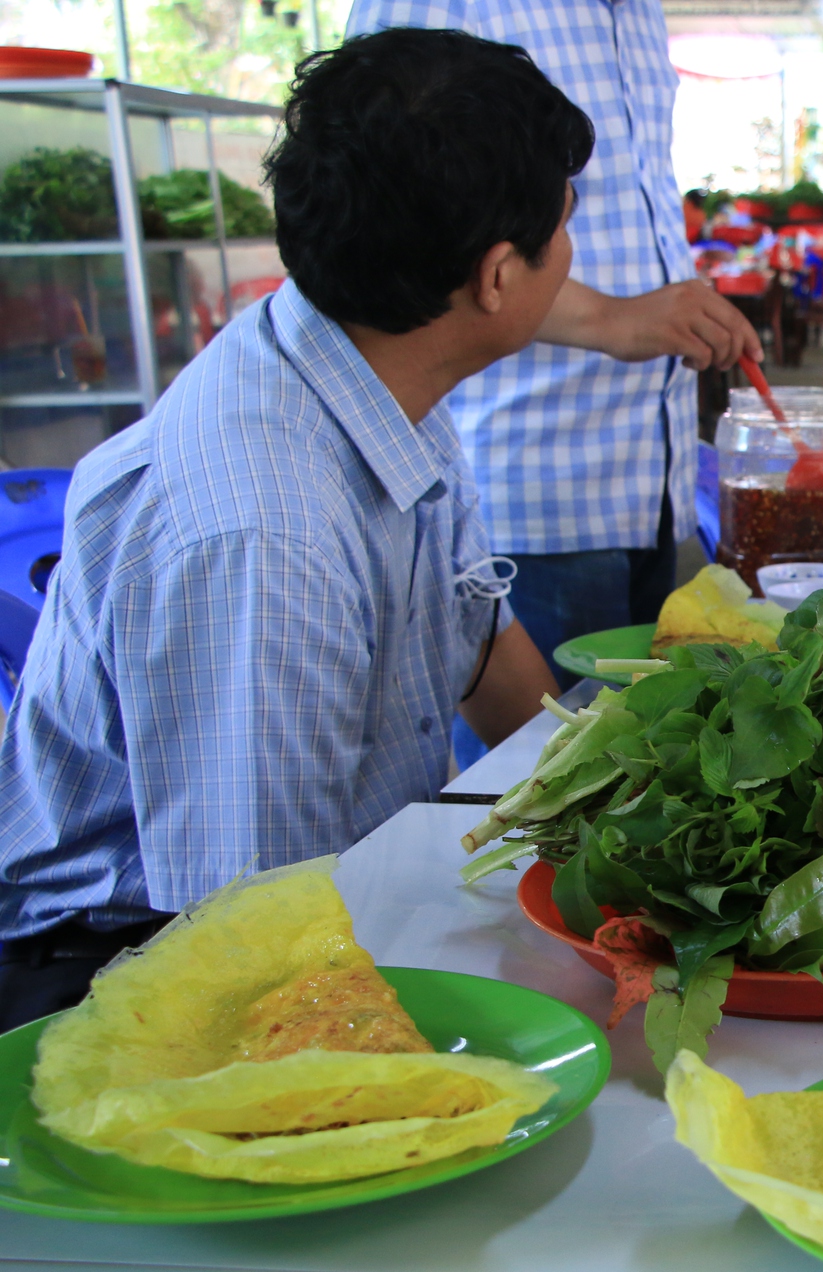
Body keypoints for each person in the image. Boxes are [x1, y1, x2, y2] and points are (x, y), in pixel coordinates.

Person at [0, 28, 575, 1029]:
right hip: (130, 972)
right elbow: (247, 933)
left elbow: (477, 639)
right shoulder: (264, 533)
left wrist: (608, 794)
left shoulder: (375, 368)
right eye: (566, 224)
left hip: (326, 894)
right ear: (495, 278)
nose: (576, 253)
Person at [348, 0, 762, 704]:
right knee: (538, 778)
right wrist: (610, 317)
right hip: (537, 481)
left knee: (627, 764)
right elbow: (390, 229)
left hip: (651, 480)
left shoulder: (637, 16)